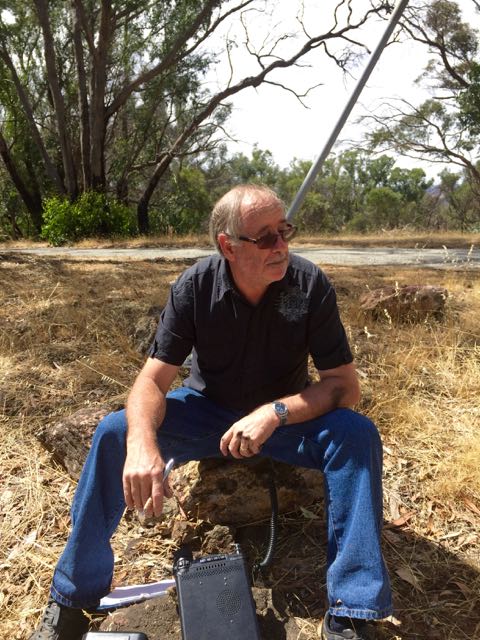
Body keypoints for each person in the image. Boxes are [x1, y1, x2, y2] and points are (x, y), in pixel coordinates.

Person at [30, 184, 392, 640]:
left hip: (285, 418)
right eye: (265, 237)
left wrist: (275, 413)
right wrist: (142, 443)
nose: (280, 246)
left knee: (357, 435)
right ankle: (72, 600)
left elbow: (344, 386)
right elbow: (151, 381)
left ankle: (351, 610)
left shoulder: (308, 285)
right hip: (206, 410)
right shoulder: (195, 287)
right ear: (228, 245)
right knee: (115, 432)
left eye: (284, 231)